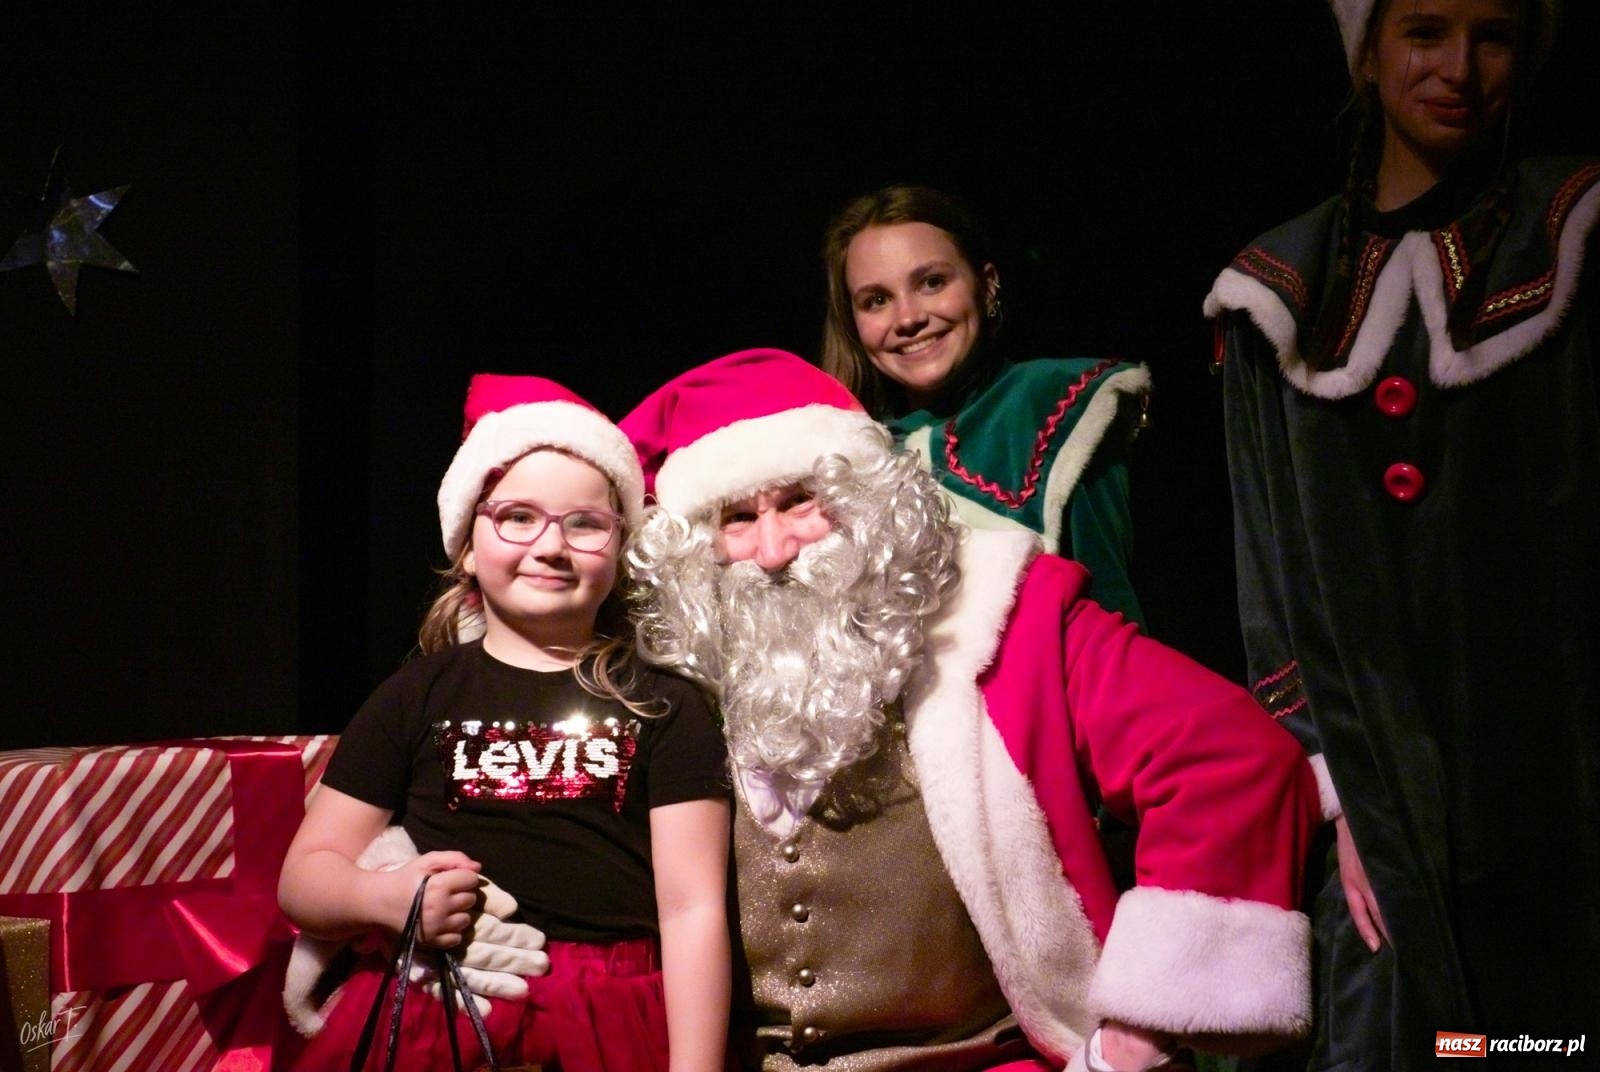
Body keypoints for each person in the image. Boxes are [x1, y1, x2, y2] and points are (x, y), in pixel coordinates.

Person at [620, 348, 1321, 1072]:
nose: (772, 552)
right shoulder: (677, 673)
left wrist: (1136, 1037)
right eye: (737, 518)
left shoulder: (1009, 622)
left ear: (866, 502)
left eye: (802, 501)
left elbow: (1225, 757)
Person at [1203, 0, 1600, 1071]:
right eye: (1425, 34)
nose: (1459, 67)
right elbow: (1265, 562)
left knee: (1542, 1046)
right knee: (1420, 1041)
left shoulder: (1570, 231)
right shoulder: (1276, 289)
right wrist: (1343, 794)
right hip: (1376, 789)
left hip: (1557, 764)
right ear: (1369, 53)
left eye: (1492, 37)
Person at [278, 374, 732, 1072]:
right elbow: (303, 880)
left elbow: (693, 910)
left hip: (610, 1021)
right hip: (445, 1008)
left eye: (585, 523)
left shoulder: (666, 706)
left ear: (619, 548)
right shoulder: (416, 695)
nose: (551, 545)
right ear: (467, 541)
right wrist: (387, 895)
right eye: (518, 516)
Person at [821, 186, 1151, 626]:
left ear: (988, 285)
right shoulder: (843, 455)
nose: (907, 318)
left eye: (932, 282)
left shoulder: (1056, 403)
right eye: (876, 300)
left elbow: (1114, 614)